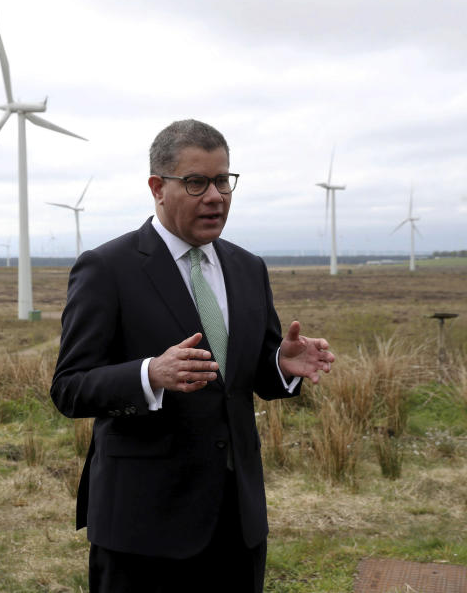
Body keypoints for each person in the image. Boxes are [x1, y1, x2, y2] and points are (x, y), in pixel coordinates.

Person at [50, 119, 335, 593]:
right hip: (142, 525)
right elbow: (69, 387)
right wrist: (150, 375)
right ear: (157, 188)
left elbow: (244, 377)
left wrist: (281, 365)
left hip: (236, 520)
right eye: (197, 182)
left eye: (224, 180)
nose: (216, 196)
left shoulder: (247, 267)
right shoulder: (107, 269)